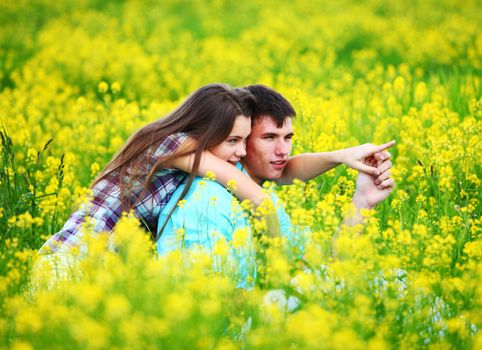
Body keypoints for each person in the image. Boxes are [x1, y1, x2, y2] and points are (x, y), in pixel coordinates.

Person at [157, 85, 394, 286]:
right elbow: (215, 306)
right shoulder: (207, 202)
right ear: (240, 139)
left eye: (288, 137)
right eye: (269, 138)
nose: (283, 151)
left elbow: (328, 272)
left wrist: (363, 202)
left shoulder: (261, 195)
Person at [39, 83, 269, 255]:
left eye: (245, 140)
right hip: (70, 258)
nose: (243, 151)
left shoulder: (189, 160)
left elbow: (278, 173)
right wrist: (280, 253)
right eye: (233, 140)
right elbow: (253, 193)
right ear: (204, 131)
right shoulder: (176, 144)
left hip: (96, 266)